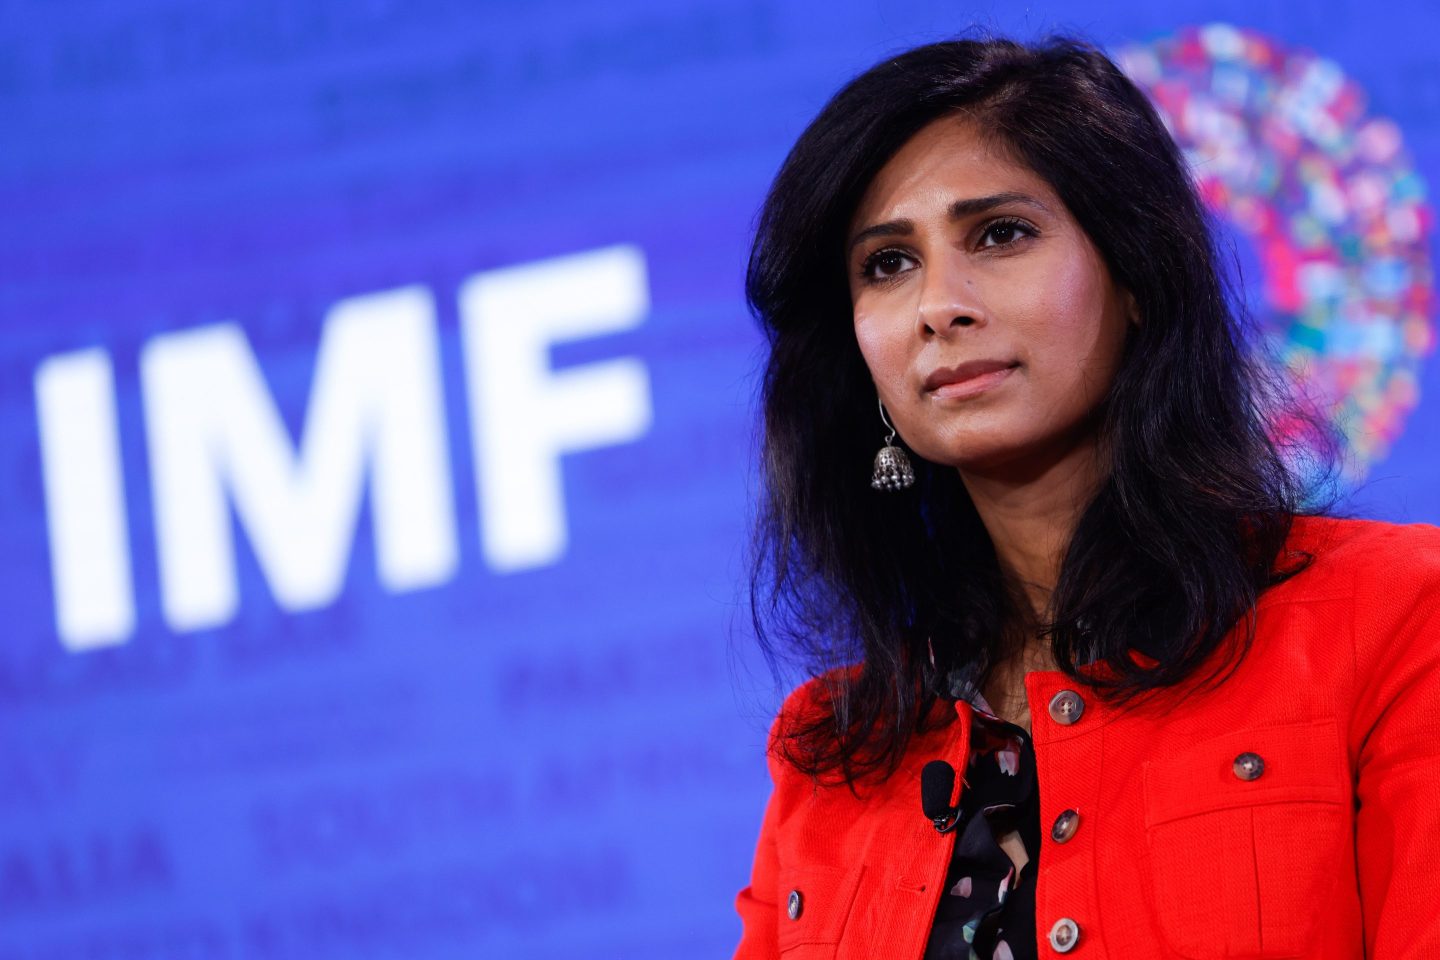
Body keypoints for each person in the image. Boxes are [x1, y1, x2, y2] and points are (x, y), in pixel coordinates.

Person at [732, 33, 1440, 960]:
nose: (939, 305)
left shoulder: (1391, 618)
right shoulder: (831, 751)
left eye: (1000, 234)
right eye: (888, 264)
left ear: (1136, 276)